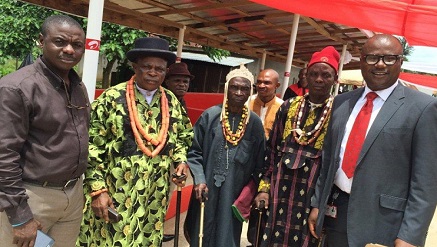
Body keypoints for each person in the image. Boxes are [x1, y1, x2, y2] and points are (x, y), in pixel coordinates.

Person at [308, 34, 437, 247]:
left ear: (400, 62)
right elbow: (329, 159)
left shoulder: (422, 108)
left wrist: (410, 235)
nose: (380, 64)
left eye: (389, 58)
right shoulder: (341, 102)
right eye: (372, 58)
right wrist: (317, 204)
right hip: (336, 215)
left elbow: (425, 182)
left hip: (385, 224)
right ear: (361, 60)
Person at [77, 37, 194, 246]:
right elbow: (91, 145)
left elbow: (183, 137)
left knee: (148, 239)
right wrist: (97, 190)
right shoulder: (111, 98)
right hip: (116, 191)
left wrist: (181, 162)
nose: (153, 72)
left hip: (154, 195)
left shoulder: (171, 102)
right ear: (135, 67)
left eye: (159, 68)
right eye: (147, 67)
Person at [0, 15, 89, 247]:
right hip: (32, 197)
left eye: (77, 45)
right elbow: (3, 155)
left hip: (72, 195)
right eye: (60, 42)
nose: (69, 49)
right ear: (41, 41)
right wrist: (20, 218)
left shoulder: (78, 87)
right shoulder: (17, 87)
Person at [255, 46, 340, 247]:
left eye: (325, 75)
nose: (319, 79)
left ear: (335, 79)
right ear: (306, 77)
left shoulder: (339, 111)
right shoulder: (288, 106)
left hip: (311, 196)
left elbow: (334, 163)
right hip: (279, 191)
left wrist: (321, 203)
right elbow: (272, 150)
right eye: (314, 74)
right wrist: (264, 188)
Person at [184, 64, 266, 247]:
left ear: (250, 92)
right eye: (234, 87)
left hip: (234, 194)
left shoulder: (254, 123)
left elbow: (261, 164)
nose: (238, 92)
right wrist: (199, 179)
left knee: (227, 237)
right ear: (227, 89)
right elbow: (194, 151)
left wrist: (252, 192)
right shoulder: (210, 116)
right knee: (201, 234)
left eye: (244, 88)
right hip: (206, 191)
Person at [161, 61, 194, 242]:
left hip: (175, 161)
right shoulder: (162, 100)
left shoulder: (181, 102)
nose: (182, 84)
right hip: (158, 160)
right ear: (167, 82)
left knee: (165, 198)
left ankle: (157, 231)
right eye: (177, 81)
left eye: (185, 82)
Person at [249, 68, 284, 139]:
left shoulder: (282, 107)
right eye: (259, 82)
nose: (261, 86)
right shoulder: (247, 102)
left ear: (277, 85)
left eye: (266, 83)